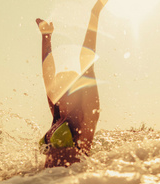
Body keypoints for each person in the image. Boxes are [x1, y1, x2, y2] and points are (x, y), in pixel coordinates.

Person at [36, 0, 108, 168]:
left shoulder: (85, 118)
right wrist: (46, 36)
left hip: (70, 182)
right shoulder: (57, 113)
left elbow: (87, 60)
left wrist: (95, 13)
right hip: (43, 182)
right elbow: (47, 73)